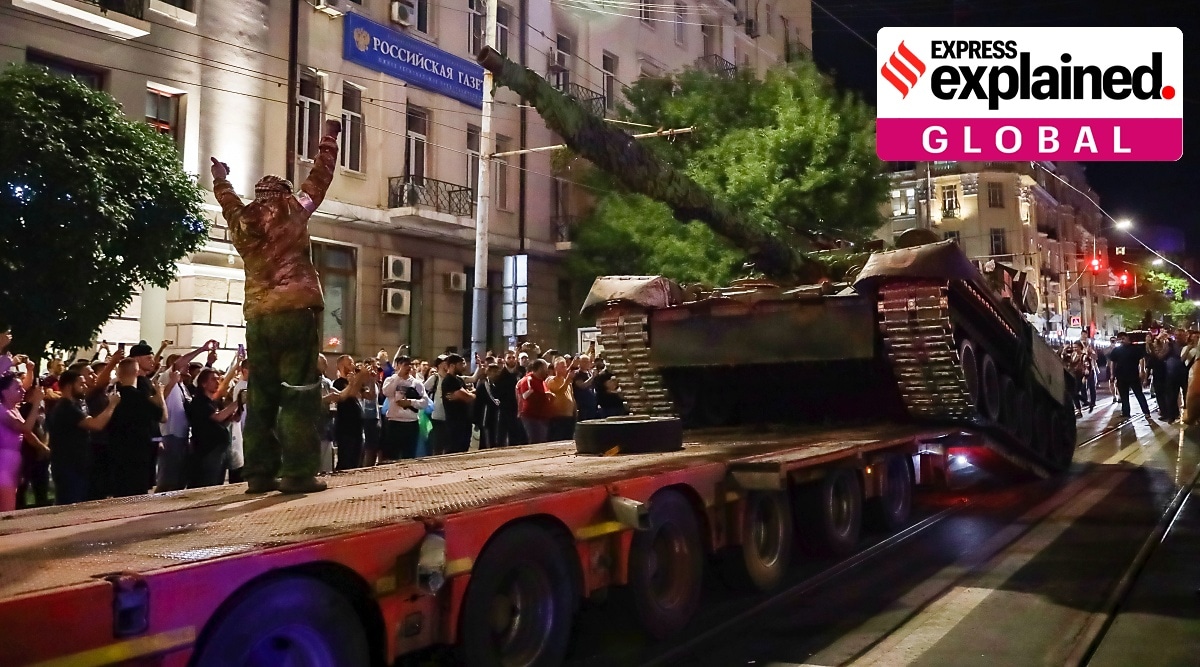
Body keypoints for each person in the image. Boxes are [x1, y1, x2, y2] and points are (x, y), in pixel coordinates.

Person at [211, 118, 341, 494]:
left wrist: (221, 177)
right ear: (282, 193)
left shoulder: (240, 220)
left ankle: (259, 473)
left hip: (258, 316)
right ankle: (298, 472)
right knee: (298, 390)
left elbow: (228, 200)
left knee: (262, 393)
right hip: (295, 309)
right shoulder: (293, 209)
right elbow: (319, 179)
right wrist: (328, 138)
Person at [45, 369, 120, 504]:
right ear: (69, 386)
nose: (85, 387)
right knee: (69, 504)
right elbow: (96, 424)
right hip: (68, 466)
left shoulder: (76, 406)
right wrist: (112, 405)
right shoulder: (66, 408)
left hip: (77, 464)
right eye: (81, 384)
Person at [1, 376, 46, 511]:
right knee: (6, 508)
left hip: (13, 462)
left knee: (11, 502)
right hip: (3, 463)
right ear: (4, 391)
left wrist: (42, 447)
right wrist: (36, 402)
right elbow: (25, 428)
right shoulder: (2, 410)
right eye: (17, 388)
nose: (22, 391)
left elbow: (28, 434)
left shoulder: (14, 409)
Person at [380, 356, 429, 460]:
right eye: (404, 364)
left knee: (409, 455)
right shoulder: (390, 380)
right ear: (397, 366)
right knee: (392, 455)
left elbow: (425, 402)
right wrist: (398, 377)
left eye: (409, 364)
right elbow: (386, 392)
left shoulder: (416, 383)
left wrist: (410, 402)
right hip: (394, 422)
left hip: (411, 423)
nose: (407, 367)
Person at [1108, 332, 1151, 420]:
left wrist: (1141, 371)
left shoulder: (1135, 349)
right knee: (1124, 395)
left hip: (1133, 375)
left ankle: (1146, 411)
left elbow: (1141, 359)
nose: (1122, 341)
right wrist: (1112, 374)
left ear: (1127, 338)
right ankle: (1126, 412)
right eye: (1120, 339)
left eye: (1123, 339)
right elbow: (1112, 362)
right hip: (1121, 376)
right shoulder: (1116, 350)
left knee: (1139, 394)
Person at [516, 359, 553, 444]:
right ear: (540, 368)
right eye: (545, 367)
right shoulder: (528, 380)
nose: (547, 370)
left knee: (542, 440)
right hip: (532, 416)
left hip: (542, 416)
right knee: (535, 441)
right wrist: (544, 395)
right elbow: (525, 395)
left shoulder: (542, 381)